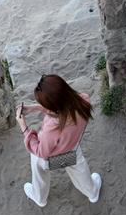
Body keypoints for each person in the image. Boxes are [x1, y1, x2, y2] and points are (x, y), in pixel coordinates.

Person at [16, 74, 101, 207]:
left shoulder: (52, 126)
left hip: (51, 160)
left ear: (52, 106)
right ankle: (93, 193)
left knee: (37, 161)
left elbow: (41, 151)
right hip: (72, 149)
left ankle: (39, 198)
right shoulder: (83, 100)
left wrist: (24, 127)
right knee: (80, 169)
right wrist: (35, 107)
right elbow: (61, 108)